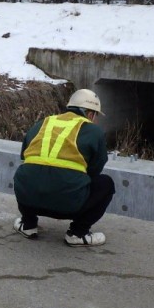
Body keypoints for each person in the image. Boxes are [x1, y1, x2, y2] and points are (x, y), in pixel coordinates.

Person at [12, 89, 115, 246]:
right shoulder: (94, 131)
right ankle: (78, 233)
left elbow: (25, 157)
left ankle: (28, 224)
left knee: (28, 174)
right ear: (89, 113)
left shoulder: (42, 123)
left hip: (29, 199)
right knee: (106, 183)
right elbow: (95, 170)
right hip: (69, 206)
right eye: (95, 115)